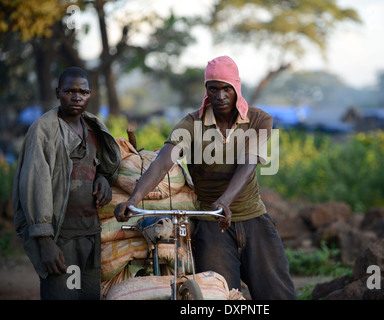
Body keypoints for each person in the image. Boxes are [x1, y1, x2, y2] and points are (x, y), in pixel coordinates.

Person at [114, 56, 296, 300]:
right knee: (218, 297)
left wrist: (225, 201)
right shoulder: (190, 123)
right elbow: (164, 161)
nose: (220, 95)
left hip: (254, 220)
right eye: (213, 89)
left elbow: (248, 162)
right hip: (212, 225)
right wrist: (134, 198)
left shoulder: (259, 119)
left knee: (278, 294)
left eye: (226, 88)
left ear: (236, 89)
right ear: (206, 90)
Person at [12, 67, 121, 300]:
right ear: (58, 92)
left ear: (90, 94)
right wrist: (44, 241)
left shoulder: (93, 128)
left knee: (88, 295)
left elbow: (102, 165)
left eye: (82, 91)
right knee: (63, 295)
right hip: (61, 240)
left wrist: (103, 178)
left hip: (90, 236)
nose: (76, 96)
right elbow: (34, 185)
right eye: (69, 91)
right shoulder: (44, 130)